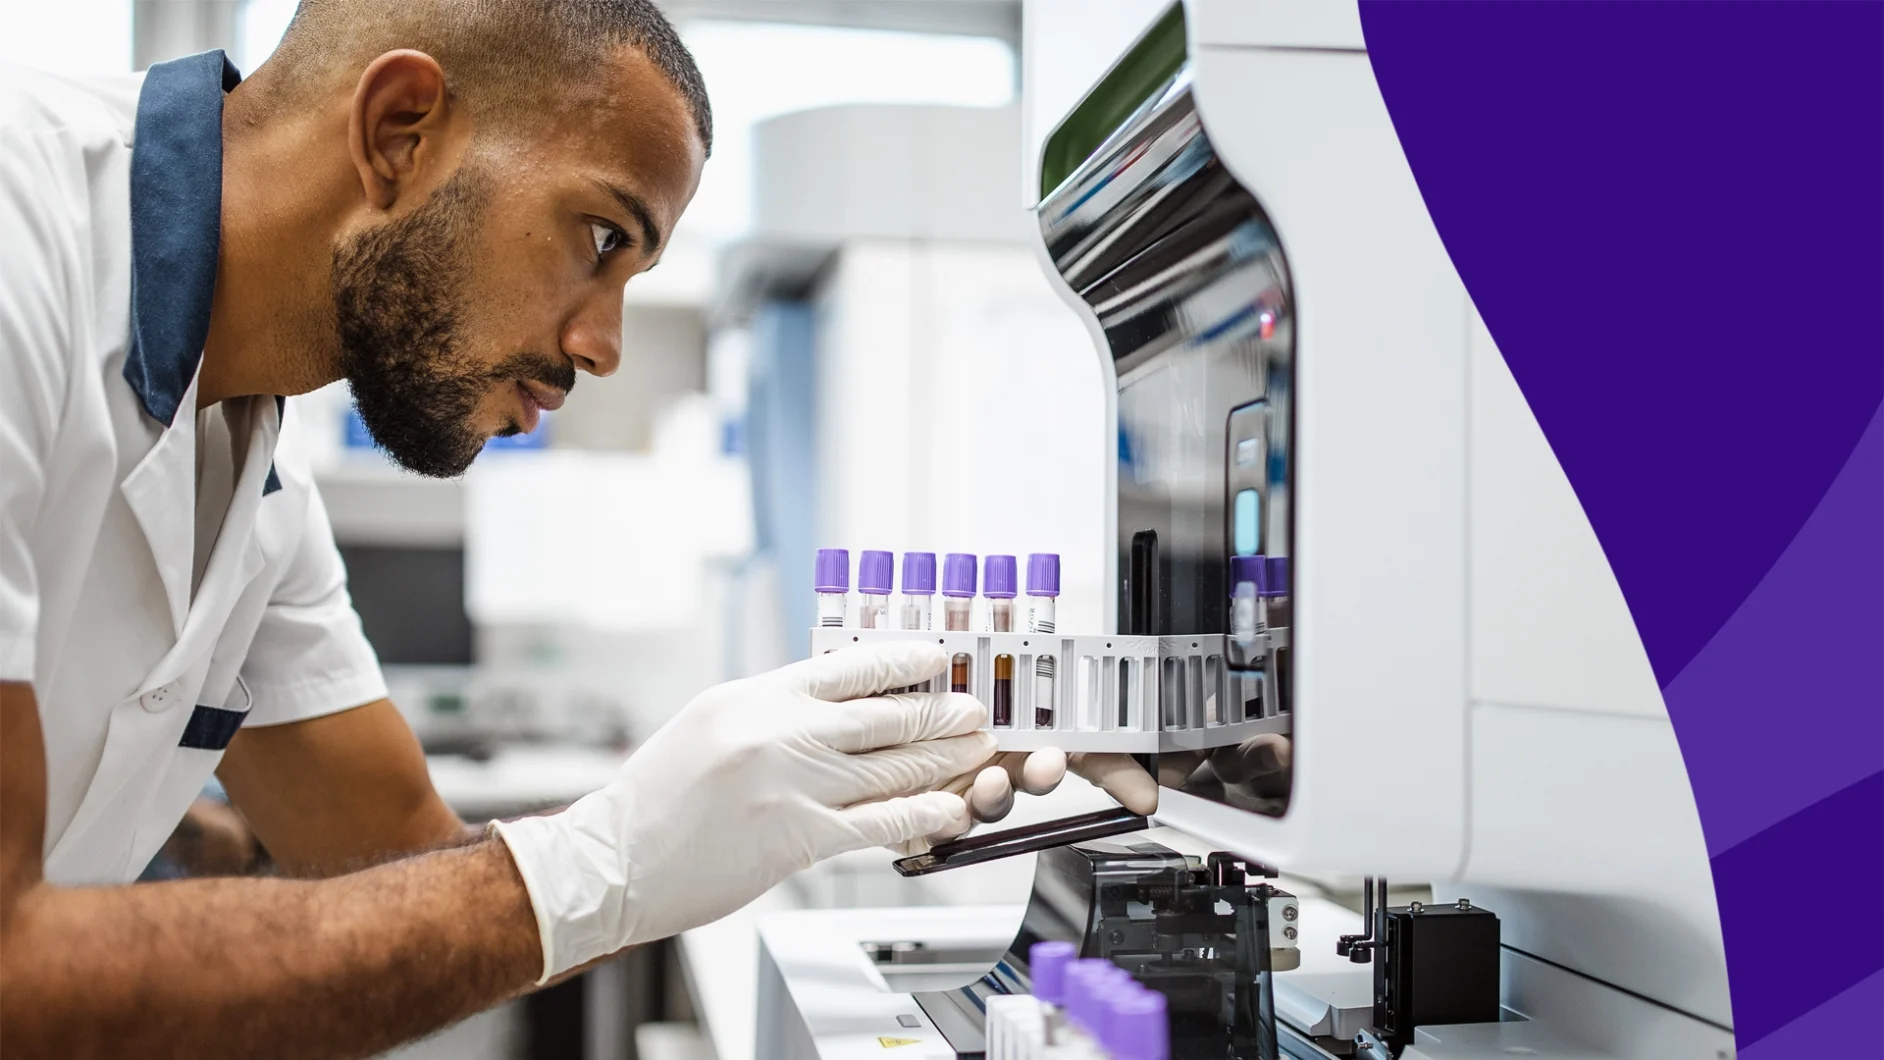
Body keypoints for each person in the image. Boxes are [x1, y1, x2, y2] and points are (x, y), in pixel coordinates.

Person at [0, 1, 1154, 1055]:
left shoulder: (251, 477)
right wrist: (618, 856)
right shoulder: (22, 232)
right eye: (603, 236)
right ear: (401, 131)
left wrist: (847, 764)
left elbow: (412, 865)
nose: (603, 344)